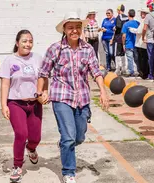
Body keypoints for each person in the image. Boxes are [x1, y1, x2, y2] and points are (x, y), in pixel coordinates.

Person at [37, 12, 109, 183]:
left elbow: (96, 72)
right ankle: (69, 172)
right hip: (62, 97)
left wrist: (103, 91)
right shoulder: (55, 49)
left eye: (77, 27)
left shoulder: (88, 49)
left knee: (79, 137)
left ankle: (65, 145)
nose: (74, 31)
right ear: (64, 30)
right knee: (69, 137)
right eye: (70, 28)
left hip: (82, 99)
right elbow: (43, 72)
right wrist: (40, 93)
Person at [0, 30, 46, 183]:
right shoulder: (9, 60)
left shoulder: (38, 58)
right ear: (17, 43)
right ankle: (17, 165)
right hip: (15, 103)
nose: (28, 44)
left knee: (35, 138)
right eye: (25, 41)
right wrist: (3, 105)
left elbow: (43, 78)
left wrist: (45, 92)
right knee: (21, 133)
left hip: (34, 104)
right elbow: (5, 84)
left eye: (30, 41)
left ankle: (31, 148)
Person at [142, 0, 154, 81]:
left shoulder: (148, 16)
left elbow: (144, 28)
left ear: (150, 7)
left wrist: (143, 37)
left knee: (151, 58)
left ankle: (151, 75)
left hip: (151, 40)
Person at [129, 8, 150, 79]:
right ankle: (144, 73)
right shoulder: (144, 20)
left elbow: (139, 31)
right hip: (142, 43)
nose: (141, 14)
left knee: (142, 59)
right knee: (143, 59)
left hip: (141, 43)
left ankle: (143, 74)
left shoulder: (144, 20)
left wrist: (131, 29)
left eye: (142, 13)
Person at [122, 9, 140, 77]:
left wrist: (123, 44)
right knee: (137, 58)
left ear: (128, 14)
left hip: (128, 44)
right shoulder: (138, 23)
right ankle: (138, 70)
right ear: (134, 15)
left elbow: (124, 36)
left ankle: (131, 71)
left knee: (130, 59)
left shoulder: (126, 24)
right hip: (136, 43)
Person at [113, 4, 129, 76]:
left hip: (118, 37)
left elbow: (118, 26)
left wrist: (114, 28)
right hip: (125, 37)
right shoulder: (127, 17)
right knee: (123, 53)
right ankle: (124, 68)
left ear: (119, 10)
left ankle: (117, 69)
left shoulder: (118, 17)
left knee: (117, 54)